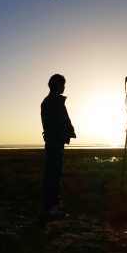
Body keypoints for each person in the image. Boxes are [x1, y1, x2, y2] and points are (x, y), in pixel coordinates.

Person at [40, 74, 76, 221]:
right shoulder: (53, 102)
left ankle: (51, 207)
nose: (64, 87)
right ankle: (51, 209)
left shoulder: (50, 102)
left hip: (54, 143)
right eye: (63, 84)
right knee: (53, 176)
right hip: (54, 144)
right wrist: (65, 134)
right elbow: (54, 125)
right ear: (57, 85)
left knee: (53, 175)